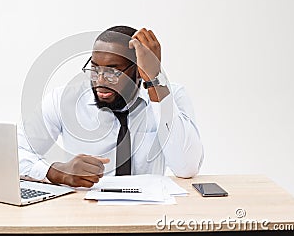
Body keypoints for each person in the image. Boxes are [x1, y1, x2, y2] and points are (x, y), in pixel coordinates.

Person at [18, 26, 203, 188]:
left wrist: (155, 80)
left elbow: (186, 167)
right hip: (84, 213)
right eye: (95, 69)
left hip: (149, 212)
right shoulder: (63, 100)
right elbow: (13, 156)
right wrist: (58, 172)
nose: (100, 80)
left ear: (139, 70)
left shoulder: (169, 96)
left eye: (113, 71)